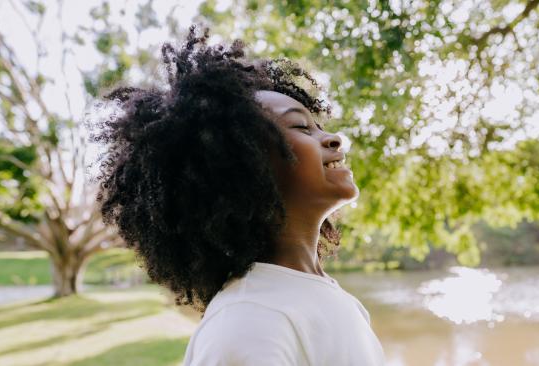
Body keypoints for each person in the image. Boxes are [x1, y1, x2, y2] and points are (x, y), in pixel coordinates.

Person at [91, 25, 386, 365]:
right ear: (245, 163)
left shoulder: (330, 300)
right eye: (302, 127)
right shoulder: (250, 322)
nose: (335, 139)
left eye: (319, 126)